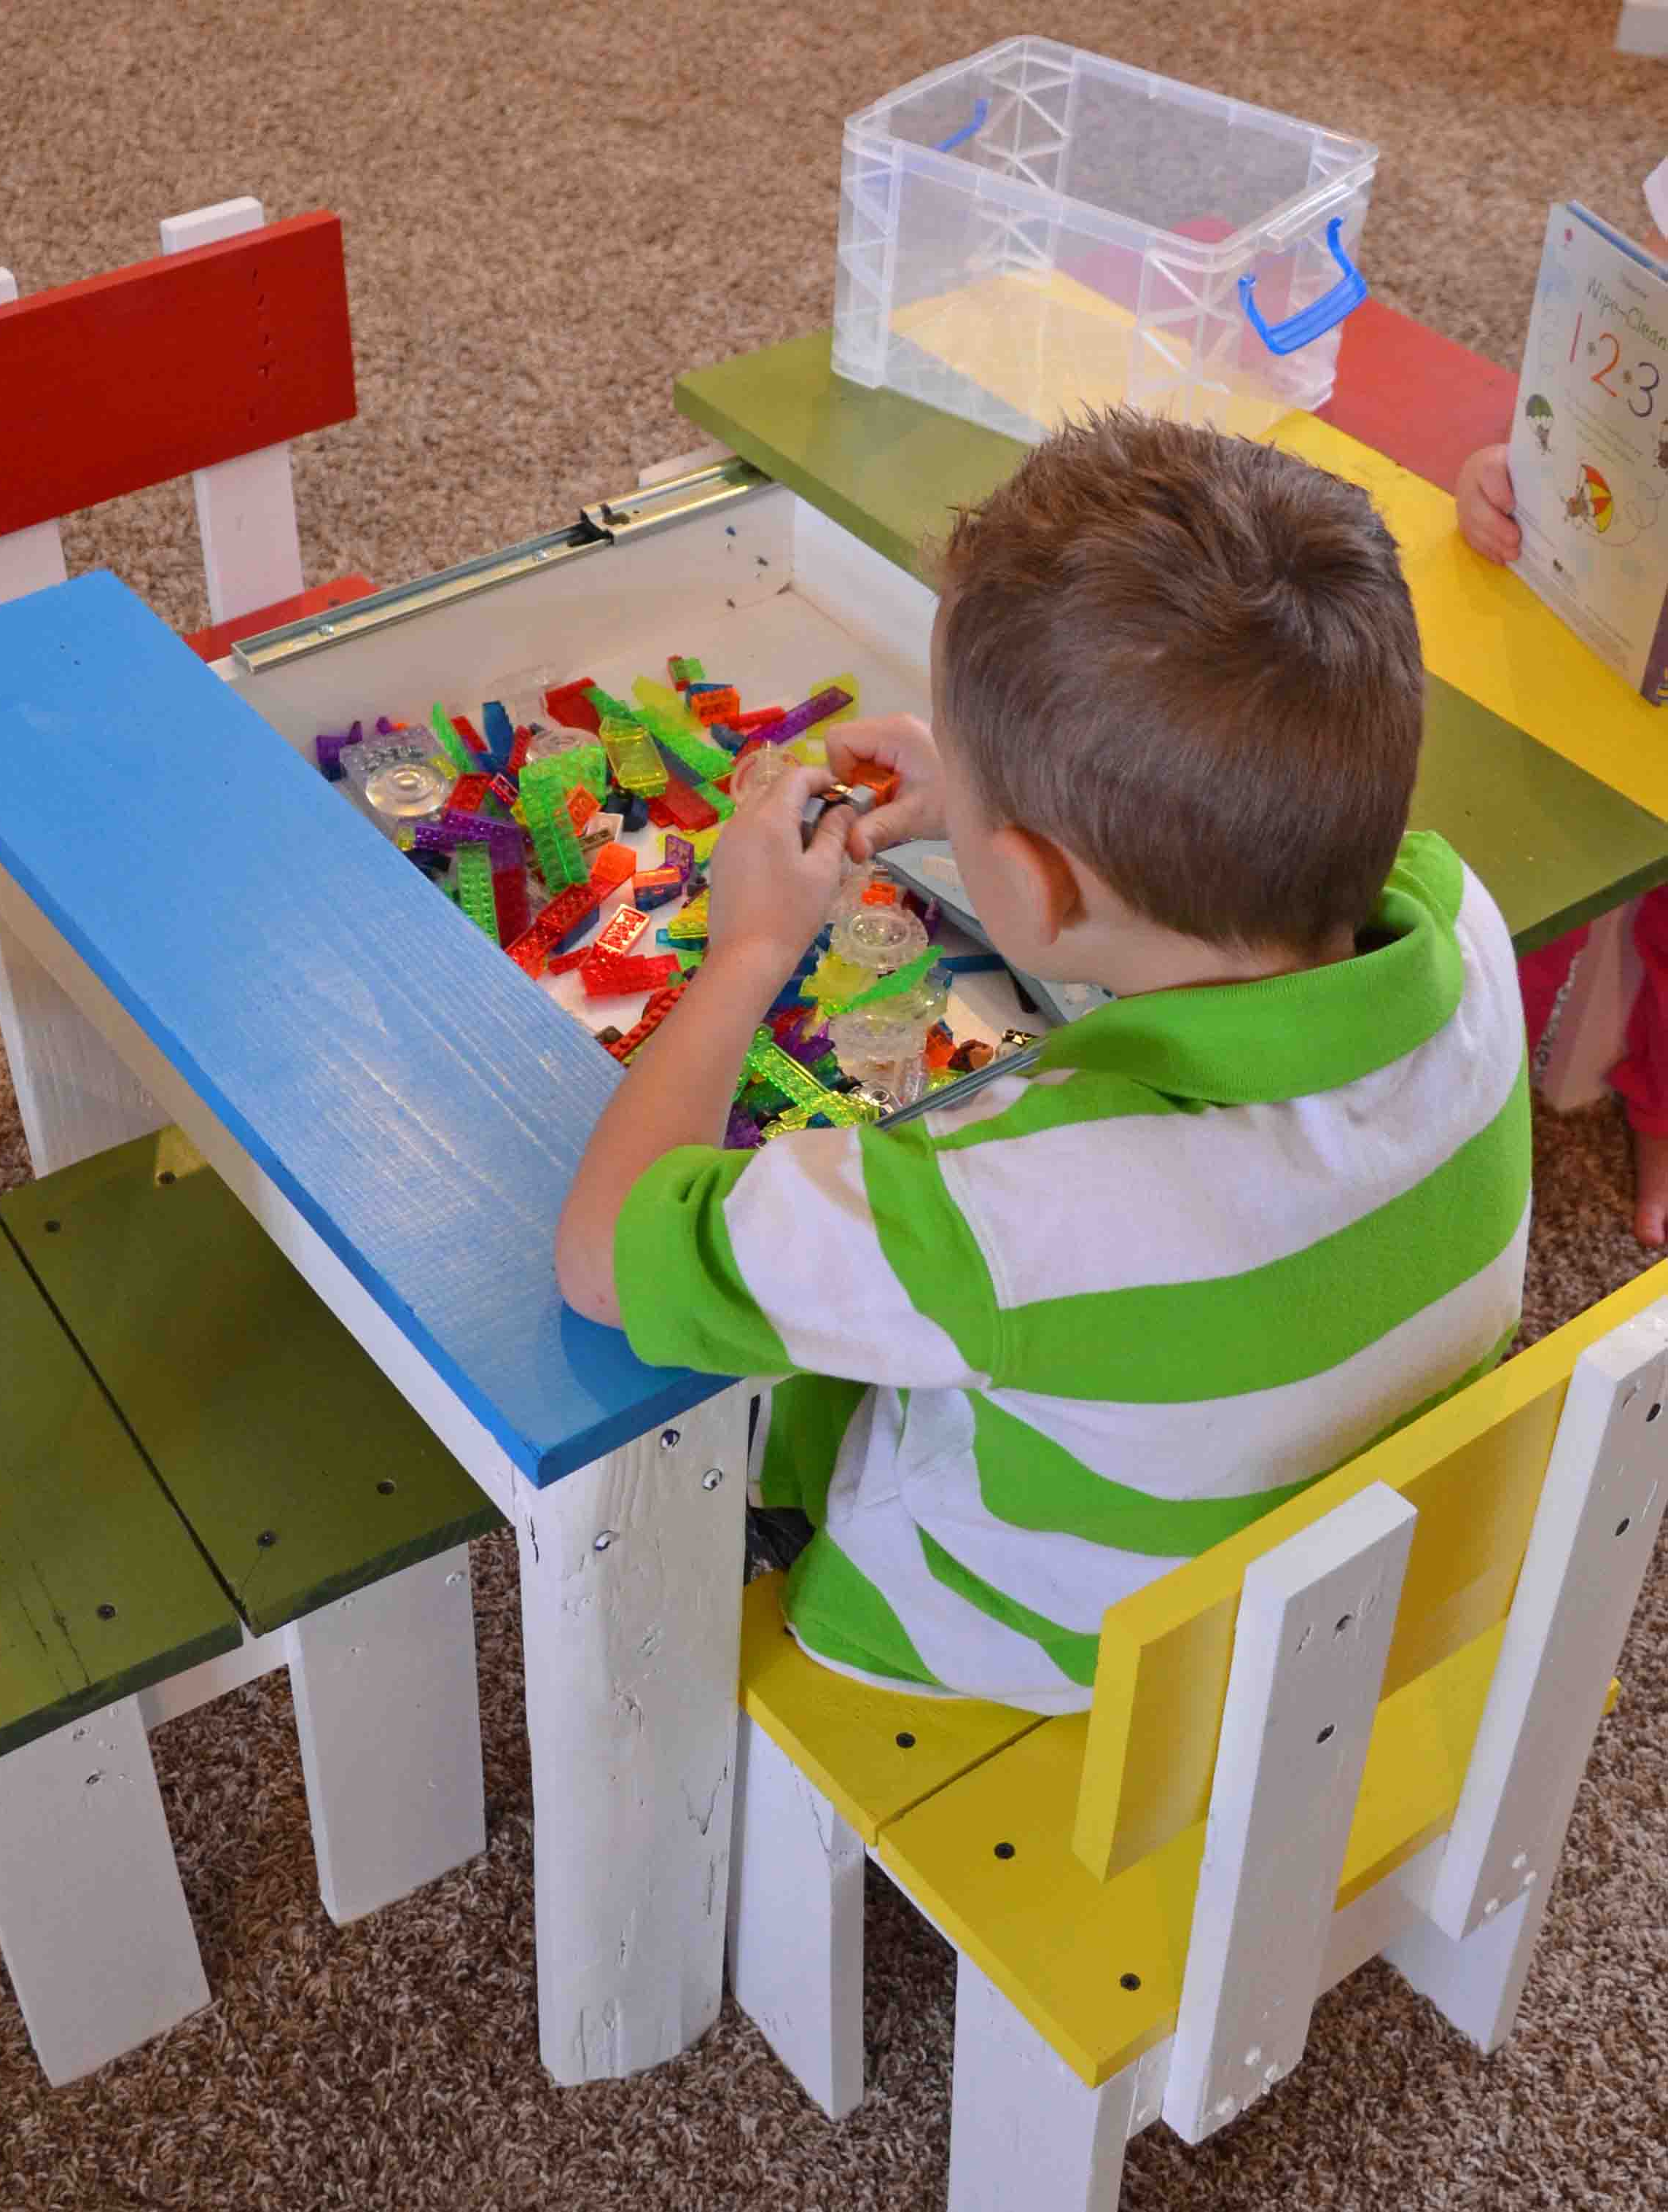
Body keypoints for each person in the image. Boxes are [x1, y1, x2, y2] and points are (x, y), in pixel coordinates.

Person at [554, 409, 1531, 1710]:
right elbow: (1220, 890)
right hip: (1352, 1569)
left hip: (1035, 1647)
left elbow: (600, 1250)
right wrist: (994, 803)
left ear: (1030, 879)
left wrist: (747, 949)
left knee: (708, 1396)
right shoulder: (1459, 920)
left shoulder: (1011, 1207)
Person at [1456, 440, 1668, 1243]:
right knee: (1511, 904)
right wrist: (1498, 477)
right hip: (1574, 651)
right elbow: (1555, 422)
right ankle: (1473, 1121)